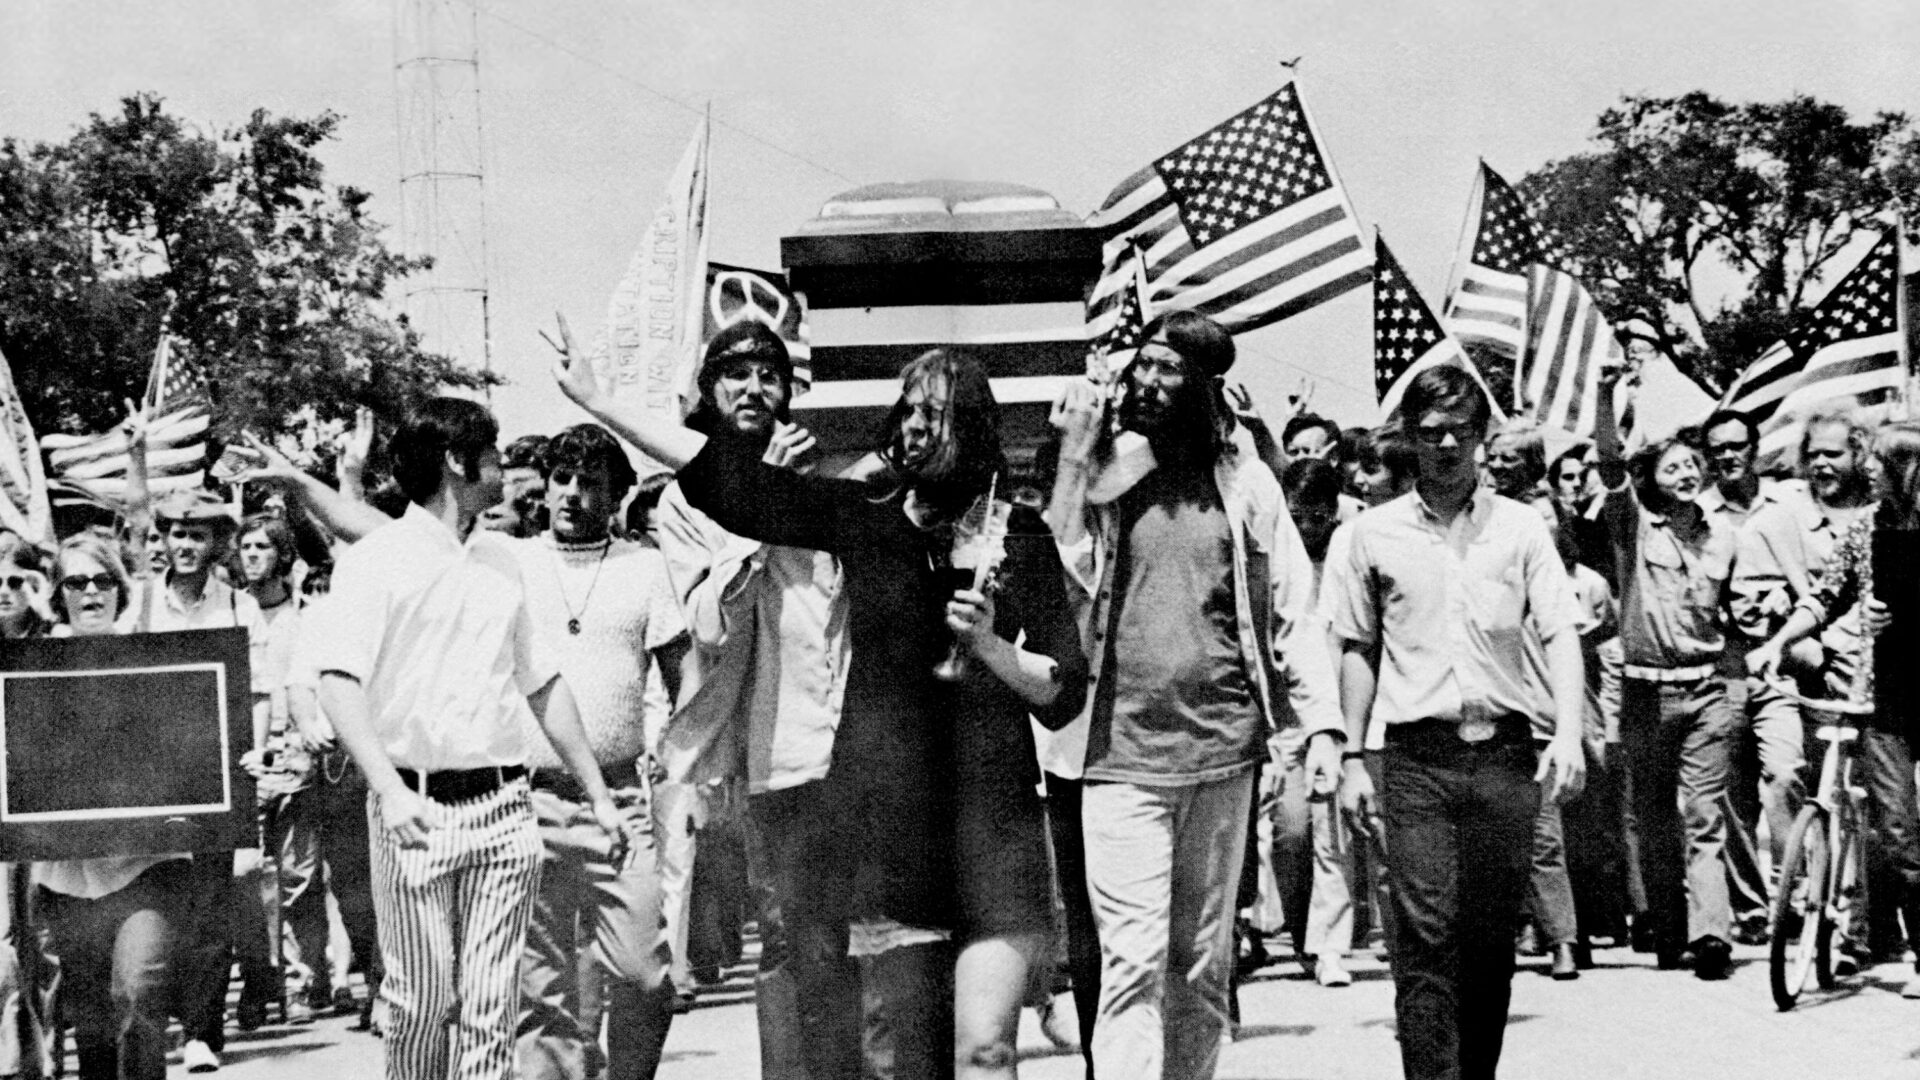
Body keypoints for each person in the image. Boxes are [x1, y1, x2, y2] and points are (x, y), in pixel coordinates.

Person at [1048, 310, 1339, 1080]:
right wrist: (1077, 458)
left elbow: (1293, 609)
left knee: (1201, 967)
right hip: (1117, 757)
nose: (1146, 381)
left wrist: (1323, 730)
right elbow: (1055, 560)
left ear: (1204, 388)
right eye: (1138, 365)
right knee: (1132, 964)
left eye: (1167, 368)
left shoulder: (1245, 483)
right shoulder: (1107, 482)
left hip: (1222, 753)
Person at [308, 397, 633, 1080]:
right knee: (422, 1005)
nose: (509, 469)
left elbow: (543, 684)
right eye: (494, 453)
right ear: (459, 462)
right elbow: (337, 684)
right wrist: (390, 792)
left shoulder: (503, 562)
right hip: (415, 814)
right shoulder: (377, 562)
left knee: (490, 1012)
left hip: (505, 815)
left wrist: (600, 796)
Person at [1309, 363, 1585, 1080]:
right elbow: (1358, 649)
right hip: (1415, 757)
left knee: (1490, 938)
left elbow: (1559, 630)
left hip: (1504, 754)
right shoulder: (1372, 535)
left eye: (1462, 433)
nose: (1447, 447)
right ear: (1409, 438)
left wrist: (1569, 733)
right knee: (1425, 934)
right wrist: (1351, 758)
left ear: (1484, 437)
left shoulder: (1522, 528)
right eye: (1431, 434)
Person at [651, 322, 861, 1080]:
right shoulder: (685, 500)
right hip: (773, 752)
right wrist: (761, 507)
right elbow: (709, 622)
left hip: (857, 743)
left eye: (768, 376)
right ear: (709, 391)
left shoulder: (830, 473)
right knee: (787, 941)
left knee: (860, 940)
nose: (752, 390)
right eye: (734, 375)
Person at [509, 423, 682, 1080]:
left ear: (616, 496)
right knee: (540, 992)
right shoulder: (511, 562)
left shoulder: (645, 567)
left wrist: (676, 749)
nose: (572, 495)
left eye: (590, 484)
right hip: (528, 800)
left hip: (620, 800)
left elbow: (682, 670)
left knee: (643, 973)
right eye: (562, 479)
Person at [1747, 420, 1920, 997]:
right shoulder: (1866, 529)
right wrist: (1775, 643)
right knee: (1896, 828)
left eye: (1879, 459)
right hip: (1887, 695)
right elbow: (1824, 596)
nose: (1867, 467)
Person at [1591, 367, 1737, 979]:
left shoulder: (1723, 536)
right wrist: (1605, 396)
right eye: (1669, 466)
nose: (1683, 473)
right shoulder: (1631, 526)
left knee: (1704, 815)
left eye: (1691, 465)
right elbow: (1607, 463)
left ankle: (1711, 937)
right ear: (1651, 478)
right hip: (1645, 695)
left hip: (1706, 691)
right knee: (1653, 818)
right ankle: (1669, 933)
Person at [125, 487, 273, 1073]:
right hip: (150, 775)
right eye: (177, 534)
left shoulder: (240, 606)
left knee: (211, 906)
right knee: (156, 902)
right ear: (164, 539)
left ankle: (203, 1033)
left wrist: (253, 754)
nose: (186, 545)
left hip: (216, 774)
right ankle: (152, 1024)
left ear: (217, 542)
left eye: (198, 535)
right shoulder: (140, 602)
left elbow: (259, 690)